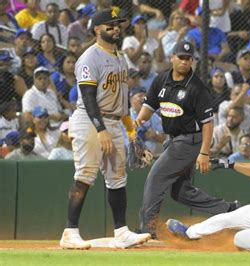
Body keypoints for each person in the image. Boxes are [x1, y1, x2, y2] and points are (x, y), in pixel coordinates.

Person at [59, 9, 152, 249]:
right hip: (90, 120)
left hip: (113, 121)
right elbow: (88, 97)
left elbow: (123, 101)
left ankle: (121, 231)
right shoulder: (90, 57)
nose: (115, 28)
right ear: (96, 30)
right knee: (85, 175)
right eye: (109, 25)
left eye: (118, 24)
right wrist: (100, 130)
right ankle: (70, 232)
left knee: (118, 178)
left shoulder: (120, 57)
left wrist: (131, 133)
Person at [134, 40, 240, 239]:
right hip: (173, 139)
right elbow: (149, 105)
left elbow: (208, 123)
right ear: (172, 58)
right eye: (181, 57)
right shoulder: (160, 80)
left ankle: (148, 229)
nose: (184, 62)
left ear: (192, 61)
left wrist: (204, 153)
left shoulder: (197, 88)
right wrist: (140, 118)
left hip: (190, 140)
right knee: (180, 191)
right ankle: (228, 210)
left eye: (188, 58)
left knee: (156, 177)